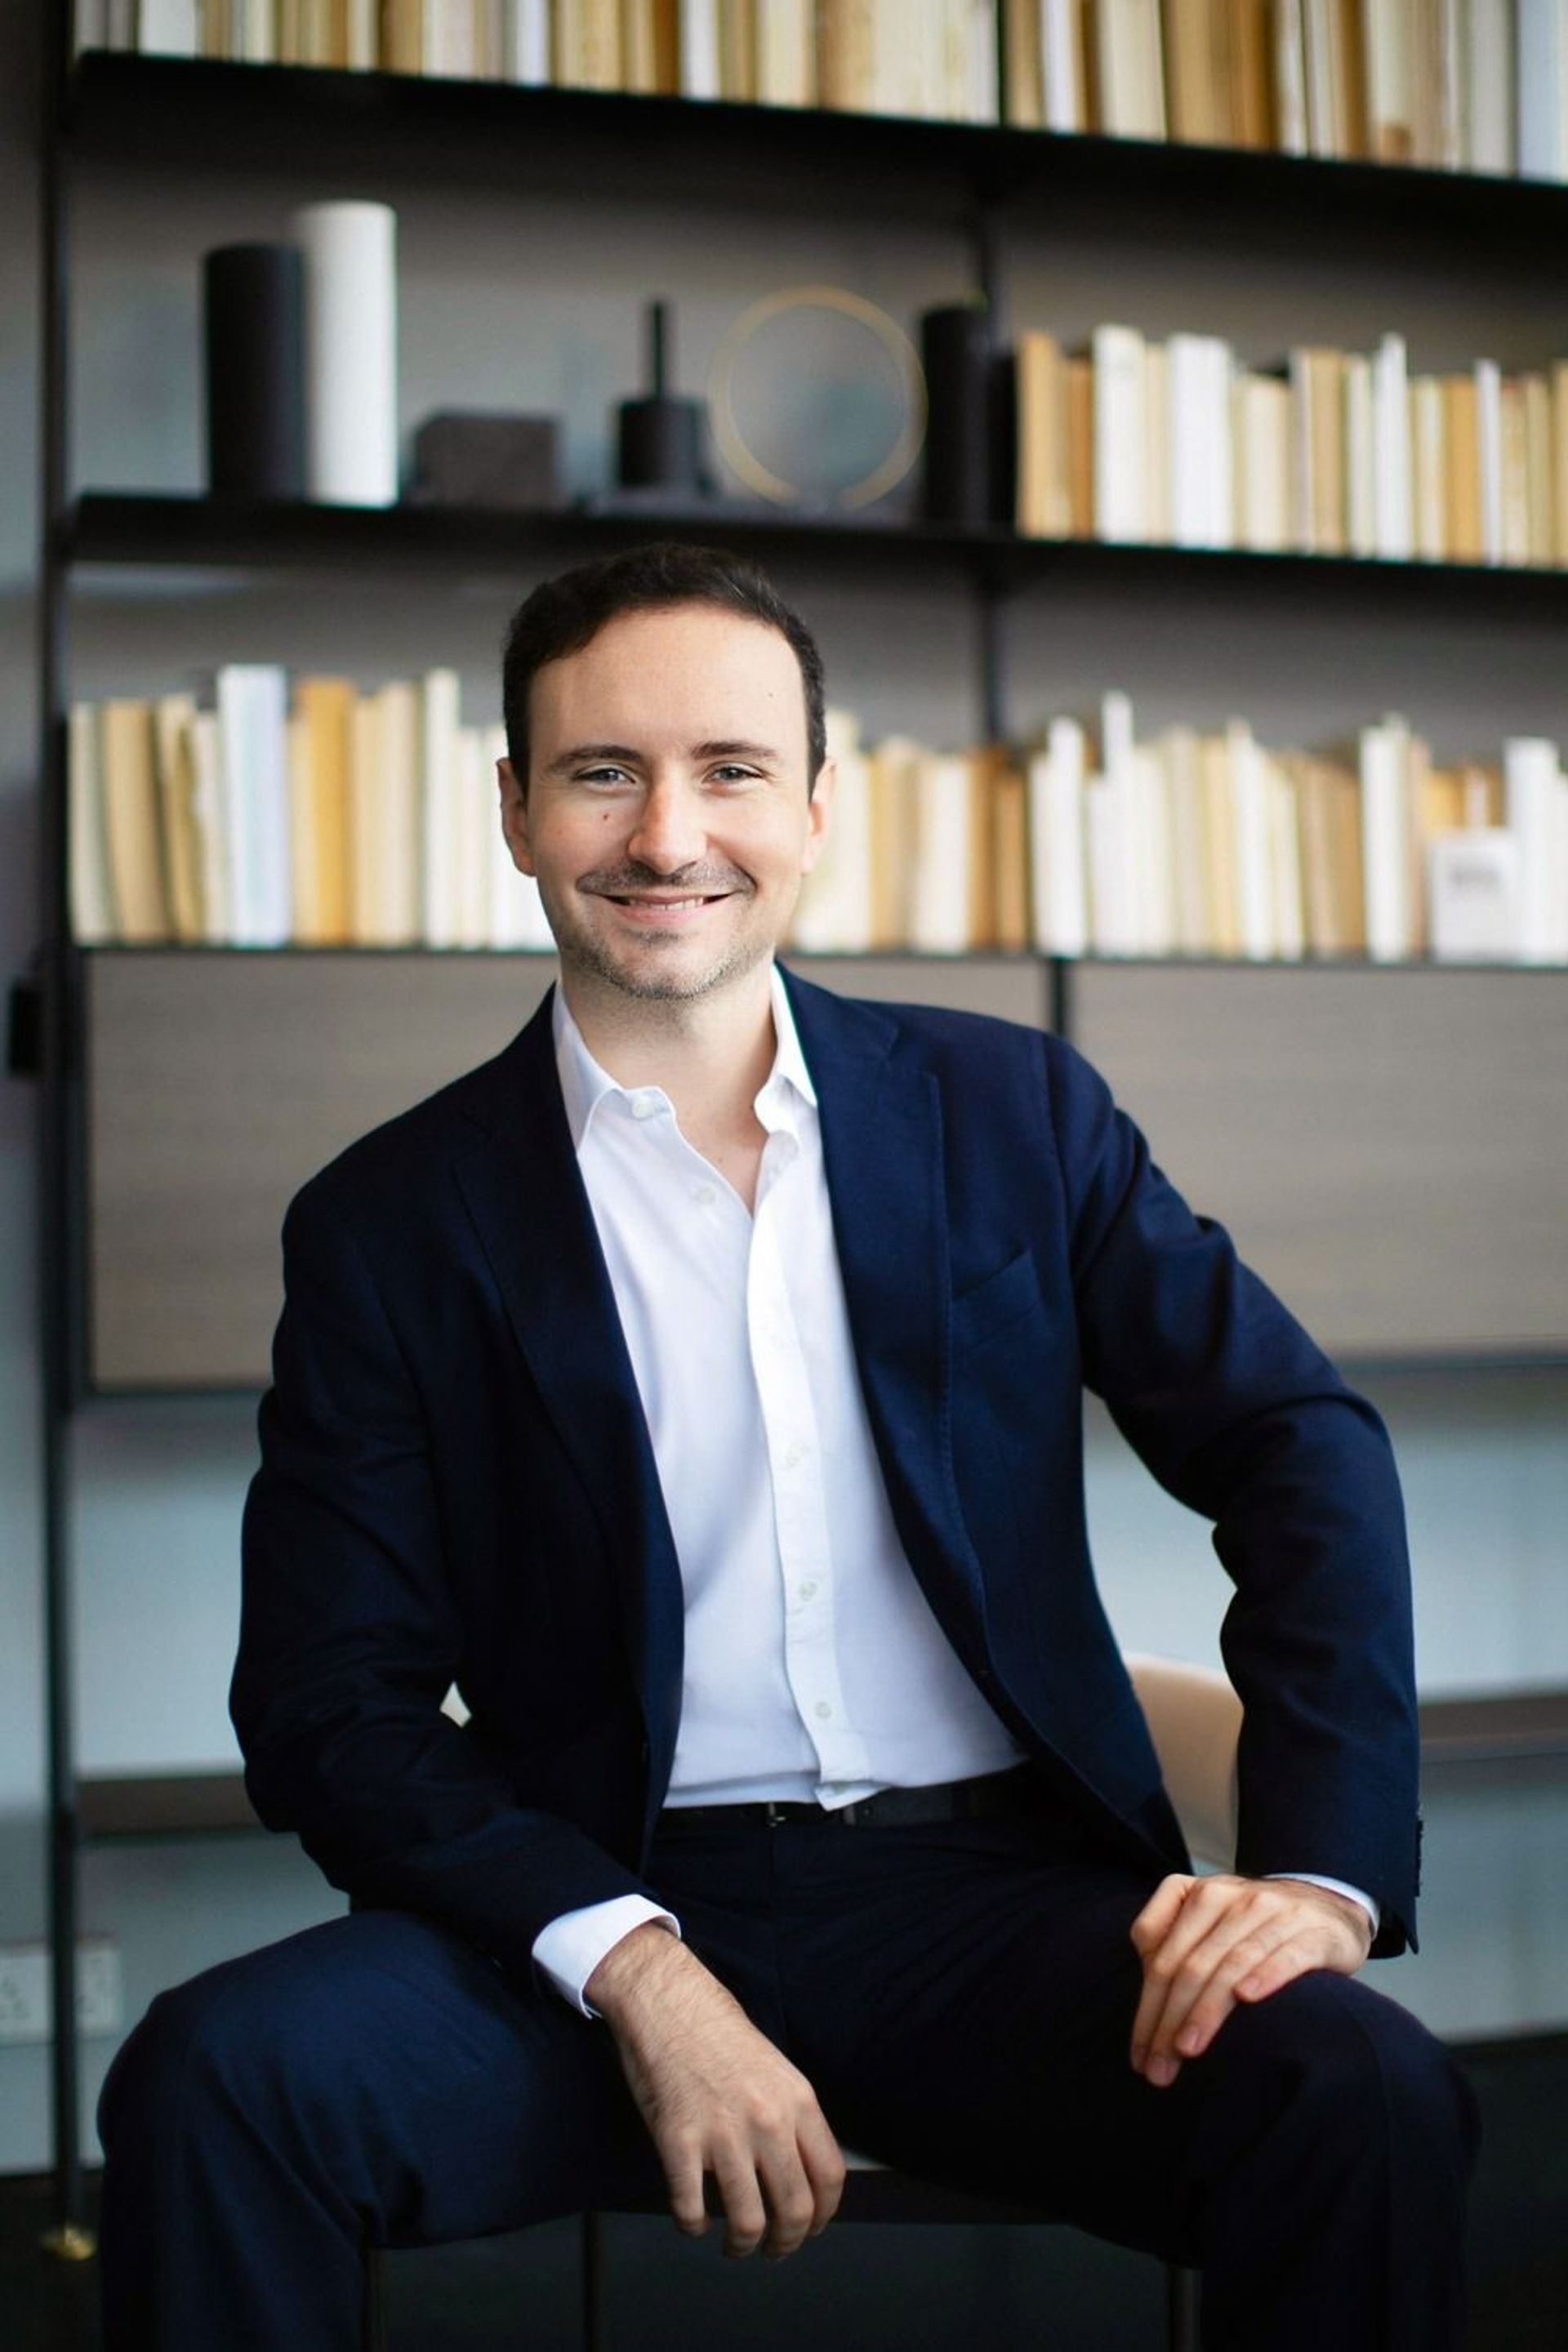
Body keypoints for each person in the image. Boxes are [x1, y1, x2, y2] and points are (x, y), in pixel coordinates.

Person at [98, 542, 1477, 2350]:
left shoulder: (1013, 1111)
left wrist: (1317, 1874)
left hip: (1005, 1916)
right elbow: (325, 1706)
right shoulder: (389, 1222)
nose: (667, 835)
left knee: (1364, 2096)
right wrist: (637, 1966)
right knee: (215, 2082)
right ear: (515, 813)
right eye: (604, 772)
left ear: (817, 807)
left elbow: (1297, 1445)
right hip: (596, 1907)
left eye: (731, 769)